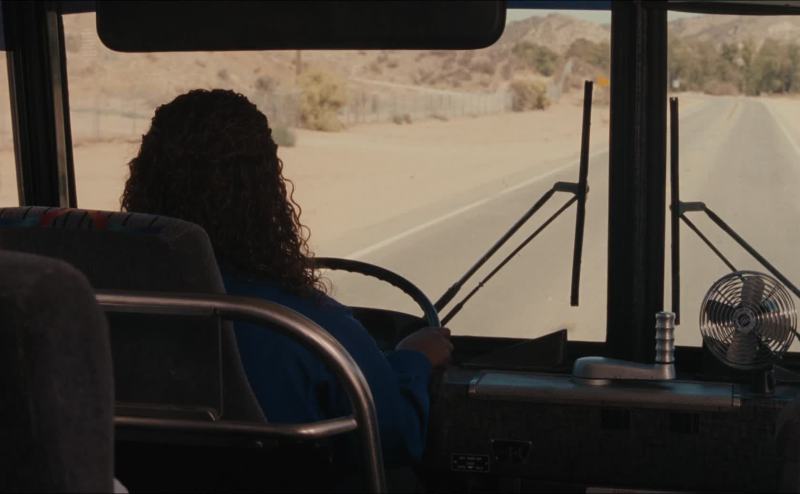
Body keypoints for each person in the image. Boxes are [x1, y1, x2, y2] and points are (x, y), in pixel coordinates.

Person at [120, 88, 453, 465]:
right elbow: (395, 438)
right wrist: (413, 360)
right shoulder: (304, 327)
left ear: (144, 180)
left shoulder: (107, 311)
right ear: (266, 191)